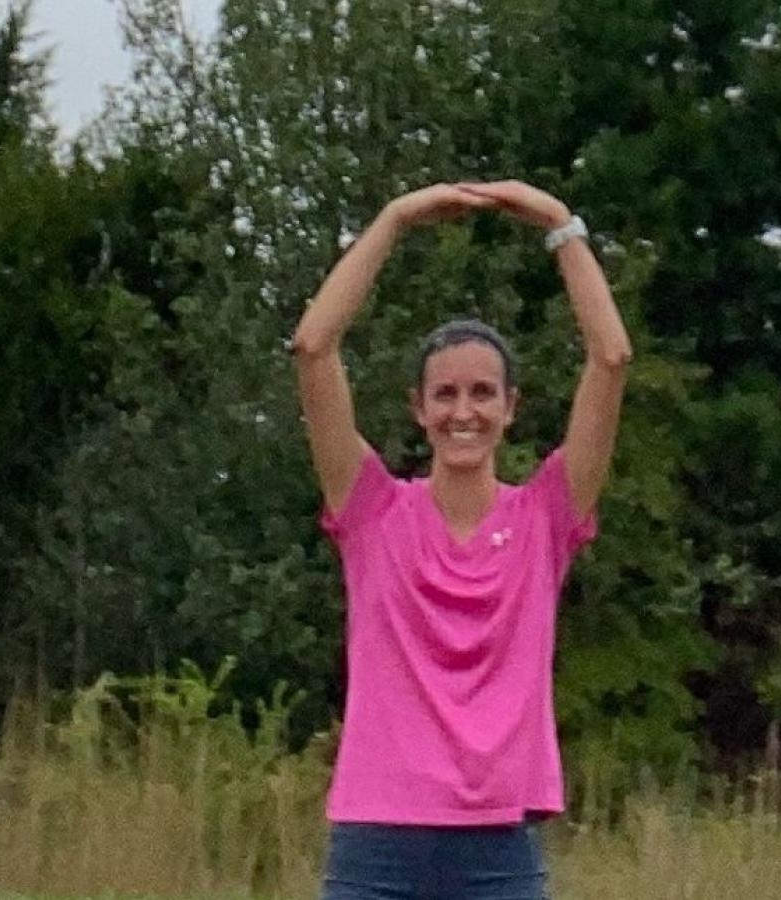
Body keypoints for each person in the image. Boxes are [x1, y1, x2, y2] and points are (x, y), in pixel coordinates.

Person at [292, 180, 631, 900]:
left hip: (497, 852)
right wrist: (393, 219)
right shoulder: (372, 512)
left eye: (482, 393)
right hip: (375, 846)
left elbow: (610, 359)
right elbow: (314, 347)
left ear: (511, 408)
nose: (463, 411)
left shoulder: (546, 517)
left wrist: (559, 224)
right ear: (419, 409)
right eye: (445, 395)